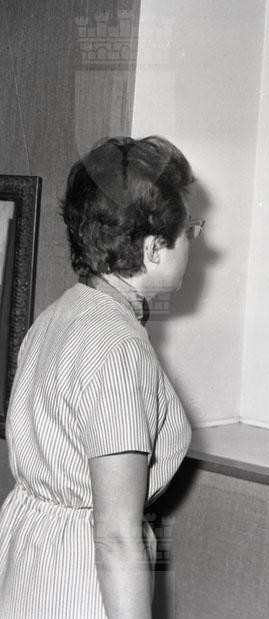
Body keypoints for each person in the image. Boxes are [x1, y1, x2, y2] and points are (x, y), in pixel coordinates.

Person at [0, 136, 204, 617]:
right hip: (79, 580)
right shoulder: (118, 346)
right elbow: (115, 535)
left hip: (29, 565)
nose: (194, 241)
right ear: (154, 249)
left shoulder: (59, 314)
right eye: (189, 230)